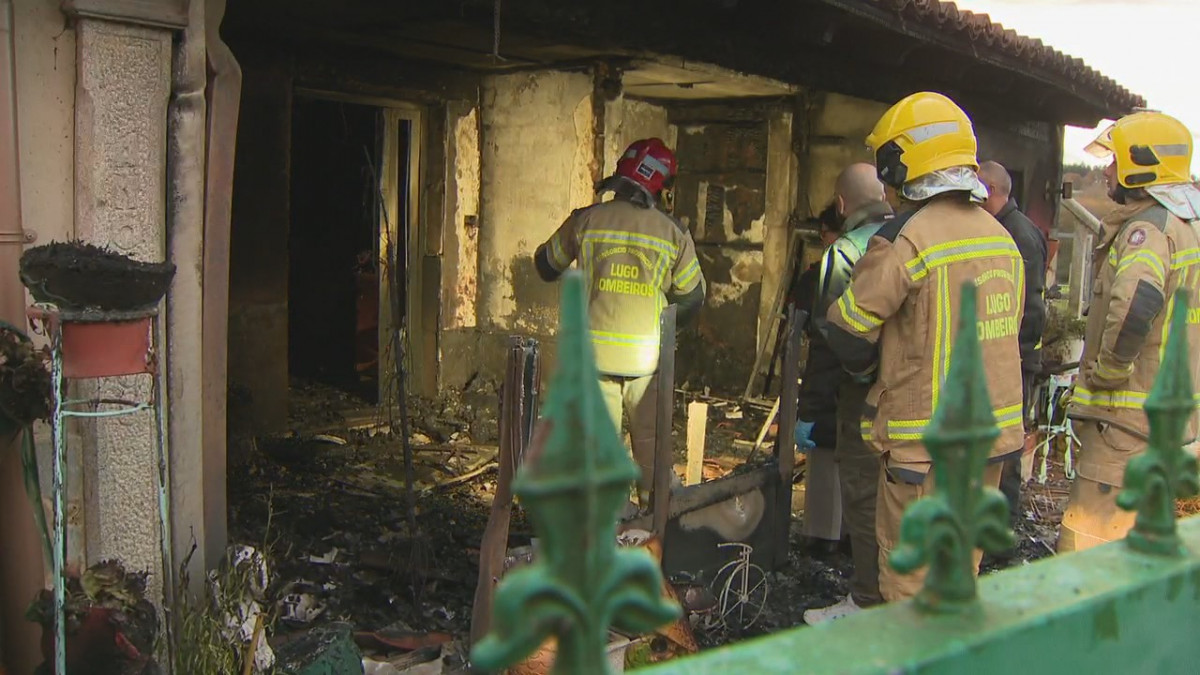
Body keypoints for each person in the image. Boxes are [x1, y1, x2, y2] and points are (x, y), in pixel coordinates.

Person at [824, 91, 1026, 602]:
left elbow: (847, 329)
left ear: (900, 165)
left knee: (910, 588)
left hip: (924, 453)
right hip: (989, 447)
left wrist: (878, 369)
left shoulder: (906, 239)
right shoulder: (1001, 239)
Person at [533, 138, 707, 507]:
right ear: (662, 185)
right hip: (647, 359)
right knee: (652, 446)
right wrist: (664, 325)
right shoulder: (673, 232)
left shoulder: (587, 220)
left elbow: (545, 265)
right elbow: (692, 297)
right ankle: (653, 524)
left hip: (594, 357)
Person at [1058, 111, 1200, 552]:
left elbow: (1137, 304)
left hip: (1125, 433)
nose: (1106, 171)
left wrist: (1109, 372)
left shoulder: (1148, 230)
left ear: (1143, 166)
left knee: (1087, 553)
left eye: (1115, 161)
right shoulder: (1186, 227)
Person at [801, 163, 895, 623]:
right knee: (897, 496)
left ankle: (865, 600)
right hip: (914, 395)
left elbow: (829, 338)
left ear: (841, 205)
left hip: (862, 395)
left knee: (861, 495)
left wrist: (811, 409)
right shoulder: (910, 237)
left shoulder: (845, 252)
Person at [978, 160, 1048, 531]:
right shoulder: (1000, 229)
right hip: (999, 357)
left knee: (1004, 448)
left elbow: (1031, 306)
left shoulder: (1018, 234)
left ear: (988, 189)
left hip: (1013, 360)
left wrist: (1012, 355)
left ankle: (1002, 533)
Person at [792, 203, 846, 552]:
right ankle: (848, 538)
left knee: (826, 452)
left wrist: (807, 409)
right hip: (871, 391)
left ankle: (822, 538)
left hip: (833, 386)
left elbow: (822, 349)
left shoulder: (826, 274)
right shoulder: (885, 252)